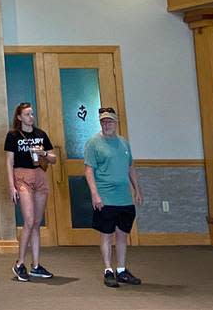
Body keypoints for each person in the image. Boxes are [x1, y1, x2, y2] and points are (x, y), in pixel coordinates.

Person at [84, 107, 141, 289]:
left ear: (116, 123)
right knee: (107, 235)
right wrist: (95, 194)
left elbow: (130, 166)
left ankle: (122, 270)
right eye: (103, 121)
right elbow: (89, 170)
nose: (106, 124)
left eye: (109, 121)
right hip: (105, 197)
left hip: (124, 197)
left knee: (123, 235)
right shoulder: (93, 143)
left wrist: (137, 189)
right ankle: (108, 270)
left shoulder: (124, 143)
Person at [4, 102, 56, 282]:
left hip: (40, 177)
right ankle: (19, 263)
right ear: (19, 117)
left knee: (36, 222)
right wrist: (11, 186)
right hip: (22, 177)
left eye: (32, 114)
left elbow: (53, 158)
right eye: (27, 114)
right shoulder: (12, 136)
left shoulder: (40, 134)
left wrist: (43, 154)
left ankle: (35, 265)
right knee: (28, 220)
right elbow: (9, 162)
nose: (31, 117)